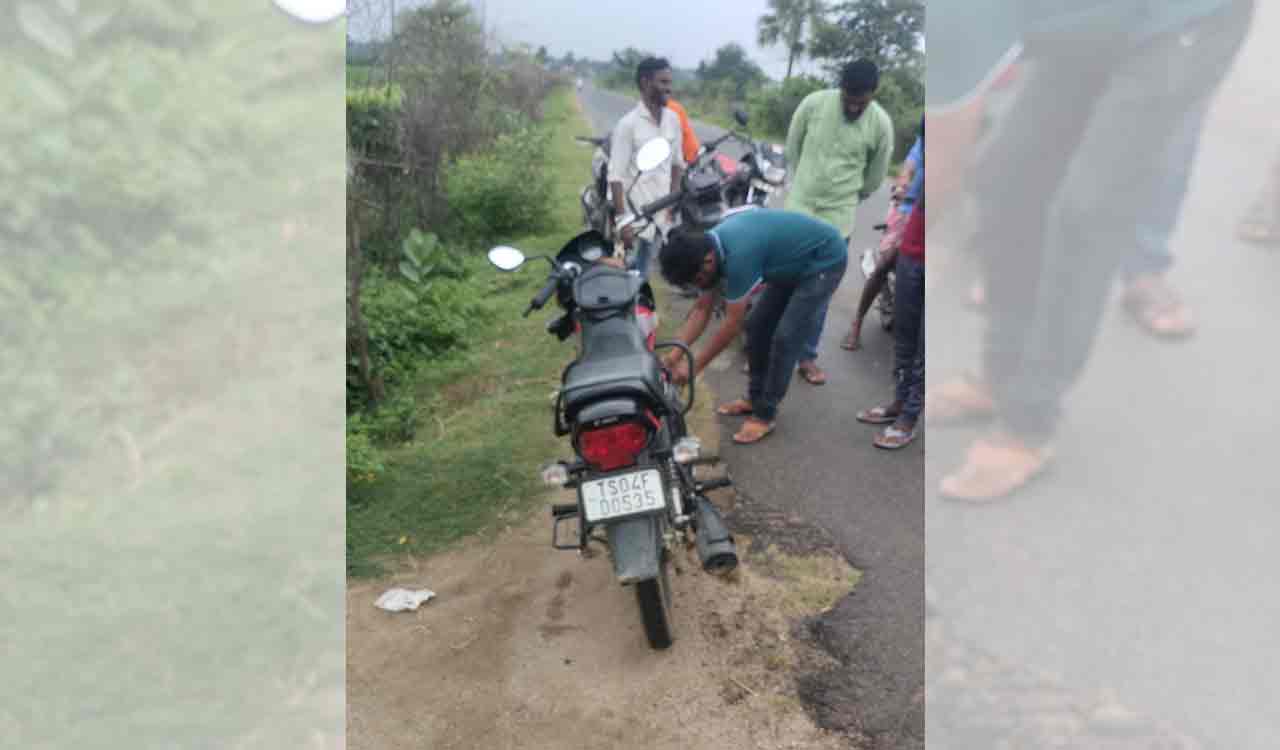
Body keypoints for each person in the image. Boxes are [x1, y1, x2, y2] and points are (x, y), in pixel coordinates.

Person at [928, 0, 1255, 501]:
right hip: (1089, 29)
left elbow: (945, 156)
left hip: (1184, 20)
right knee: (1005, 178)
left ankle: (1028, 424)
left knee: (1088, 210)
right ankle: (1001, 375)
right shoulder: (954, 18)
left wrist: (918, 250)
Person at [657, 209, 848, 444]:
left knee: (785, 337)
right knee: (757, 327)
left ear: (708, 261)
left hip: (824, 260)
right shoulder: (705, 253)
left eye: (697, 280)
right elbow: (701, 310)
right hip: (790, 263)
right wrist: (673, 356)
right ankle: (754, 399)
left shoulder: (739, 256)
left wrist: (694, 368)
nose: (699, 285)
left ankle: (765, 415)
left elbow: (731, 325)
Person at [783, 58, 894, 385]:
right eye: (849, 98)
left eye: (862, 100)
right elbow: (793, 147)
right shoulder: (814, 104)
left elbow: (875, 176)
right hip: (798, 212)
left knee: (819, 293)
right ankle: (765, 351)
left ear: (873, 93)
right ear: (840, 87)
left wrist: (848, 196)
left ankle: (806, 357)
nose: (854, 106)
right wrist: (805, 181)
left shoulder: (880, 124)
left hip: (837, 223)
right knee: (781, 284)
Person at [844, 118, 924, 352]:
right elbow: (908, 167)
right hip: (909, 208)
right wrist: (901, 187)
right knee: (886, 263)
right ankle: (856, 323)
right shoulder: (925, 141)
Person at [857, 195, 926, 448]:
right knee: (904, 337)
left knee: (925, 348)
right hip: (912, 250)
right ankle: (899, 403)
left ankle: (909, 418)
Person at [609, 57, 684, 279]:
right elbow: (616, 177)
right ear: (645, 82)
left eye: (670, 82)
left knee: (644, 278)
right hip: (635, 219)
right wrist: (623, 222)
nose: (668, 88)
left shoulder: (673, 120)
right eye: (662, 82)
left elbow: (677, 165)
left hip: (661, 218)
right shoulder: (628, 124)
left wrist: (671, 204)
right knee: (628, 278)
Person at [666, 97, 701, 168]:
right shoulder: (667, 106)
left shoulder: (671, 108)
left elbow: (674, 133)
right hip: (682, 153)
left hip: (687, 153)